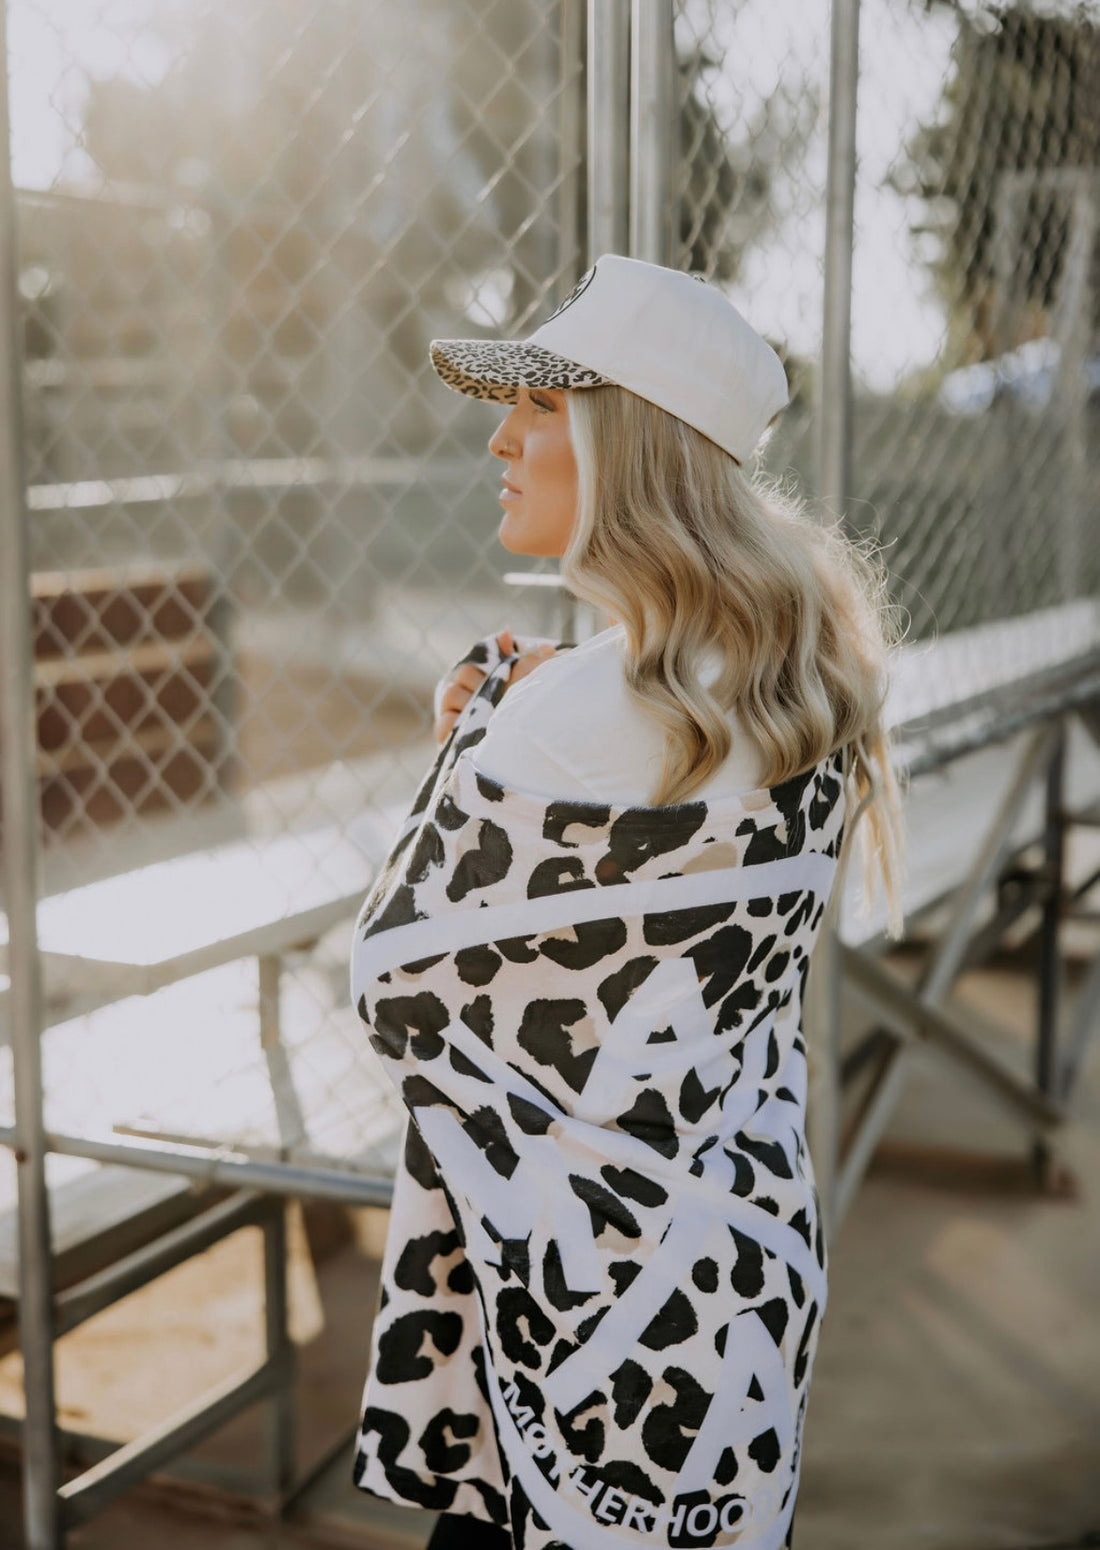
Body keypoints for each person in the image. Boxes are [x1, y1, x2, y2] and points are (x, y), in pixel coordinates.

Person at [350, 254, 902, 1550]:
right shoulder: (793, 665)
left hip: (569, 1321)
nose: (501, 437)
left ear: (628, 448)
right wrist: (528, 701)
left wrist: (470, 742)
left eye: (540, 412)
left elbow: (397, 985)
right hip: (734, 1284)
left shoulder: (564, 714)